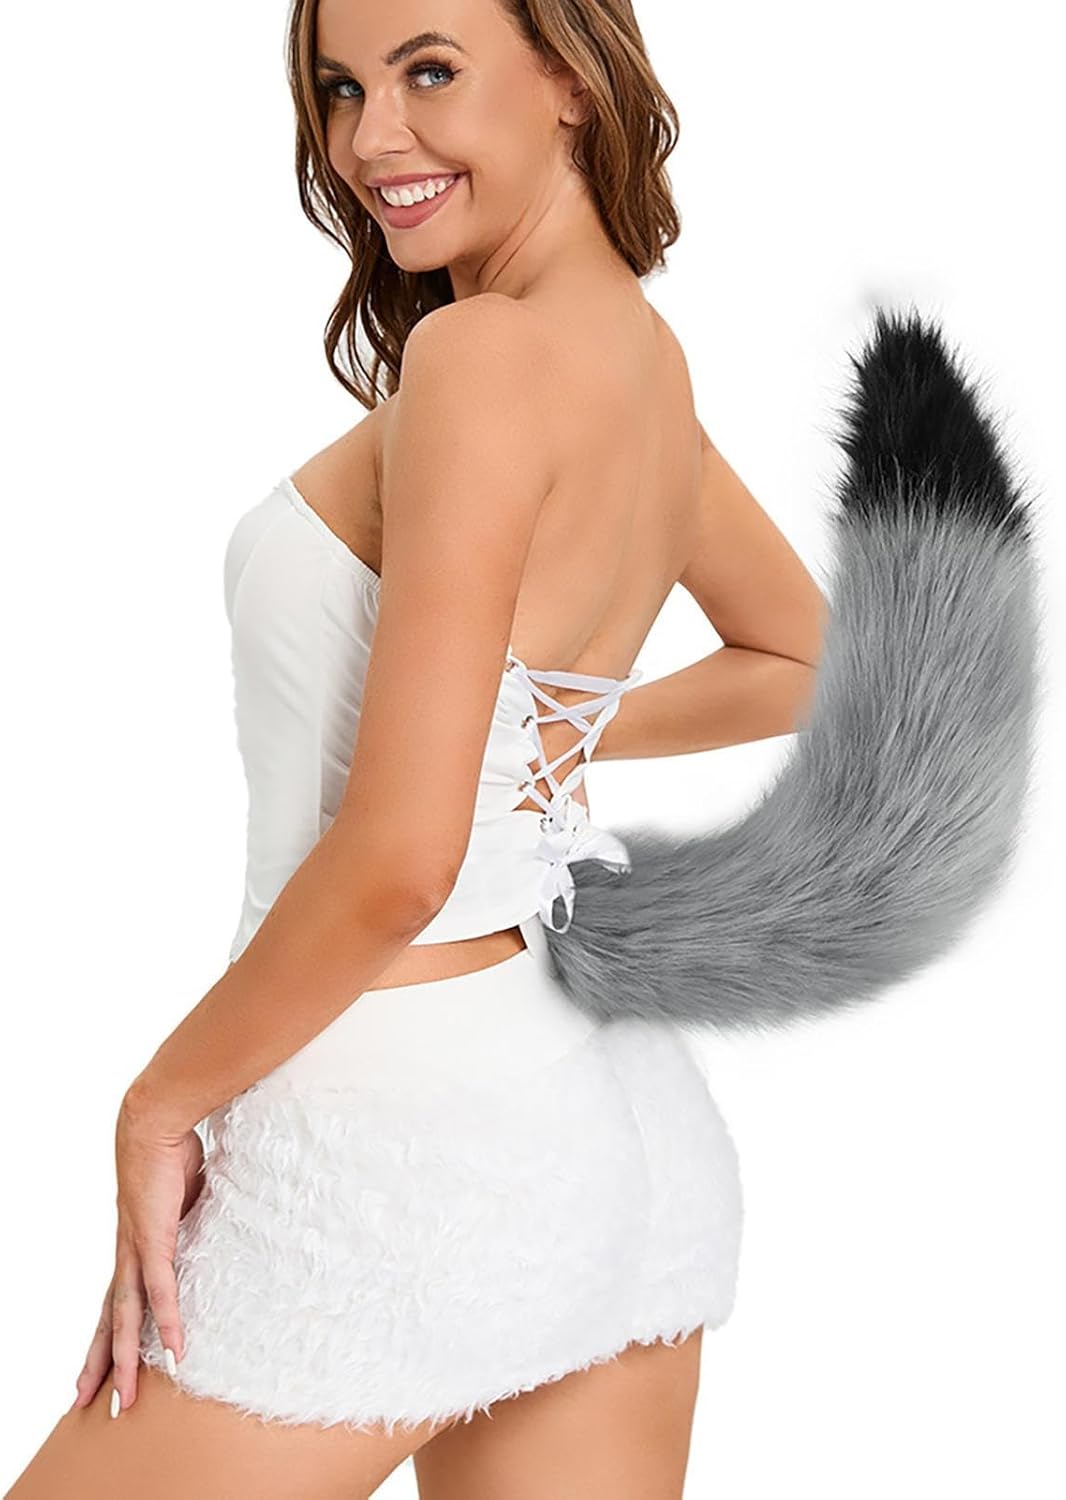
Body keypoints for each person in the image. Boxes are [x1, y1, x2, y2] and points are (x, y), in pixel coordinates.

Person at [7, 2, 827, 1496]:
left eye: (428, 71)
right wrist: (538, 742)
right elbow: (803, 657)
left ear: (569, 77)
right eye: (340, 87)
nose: (370, 137)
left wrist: (159, 1102)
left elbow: (399, 861)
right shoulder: (642, 365)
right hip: (610, 1105)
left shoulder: (481, 358)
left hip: (399, 1126)